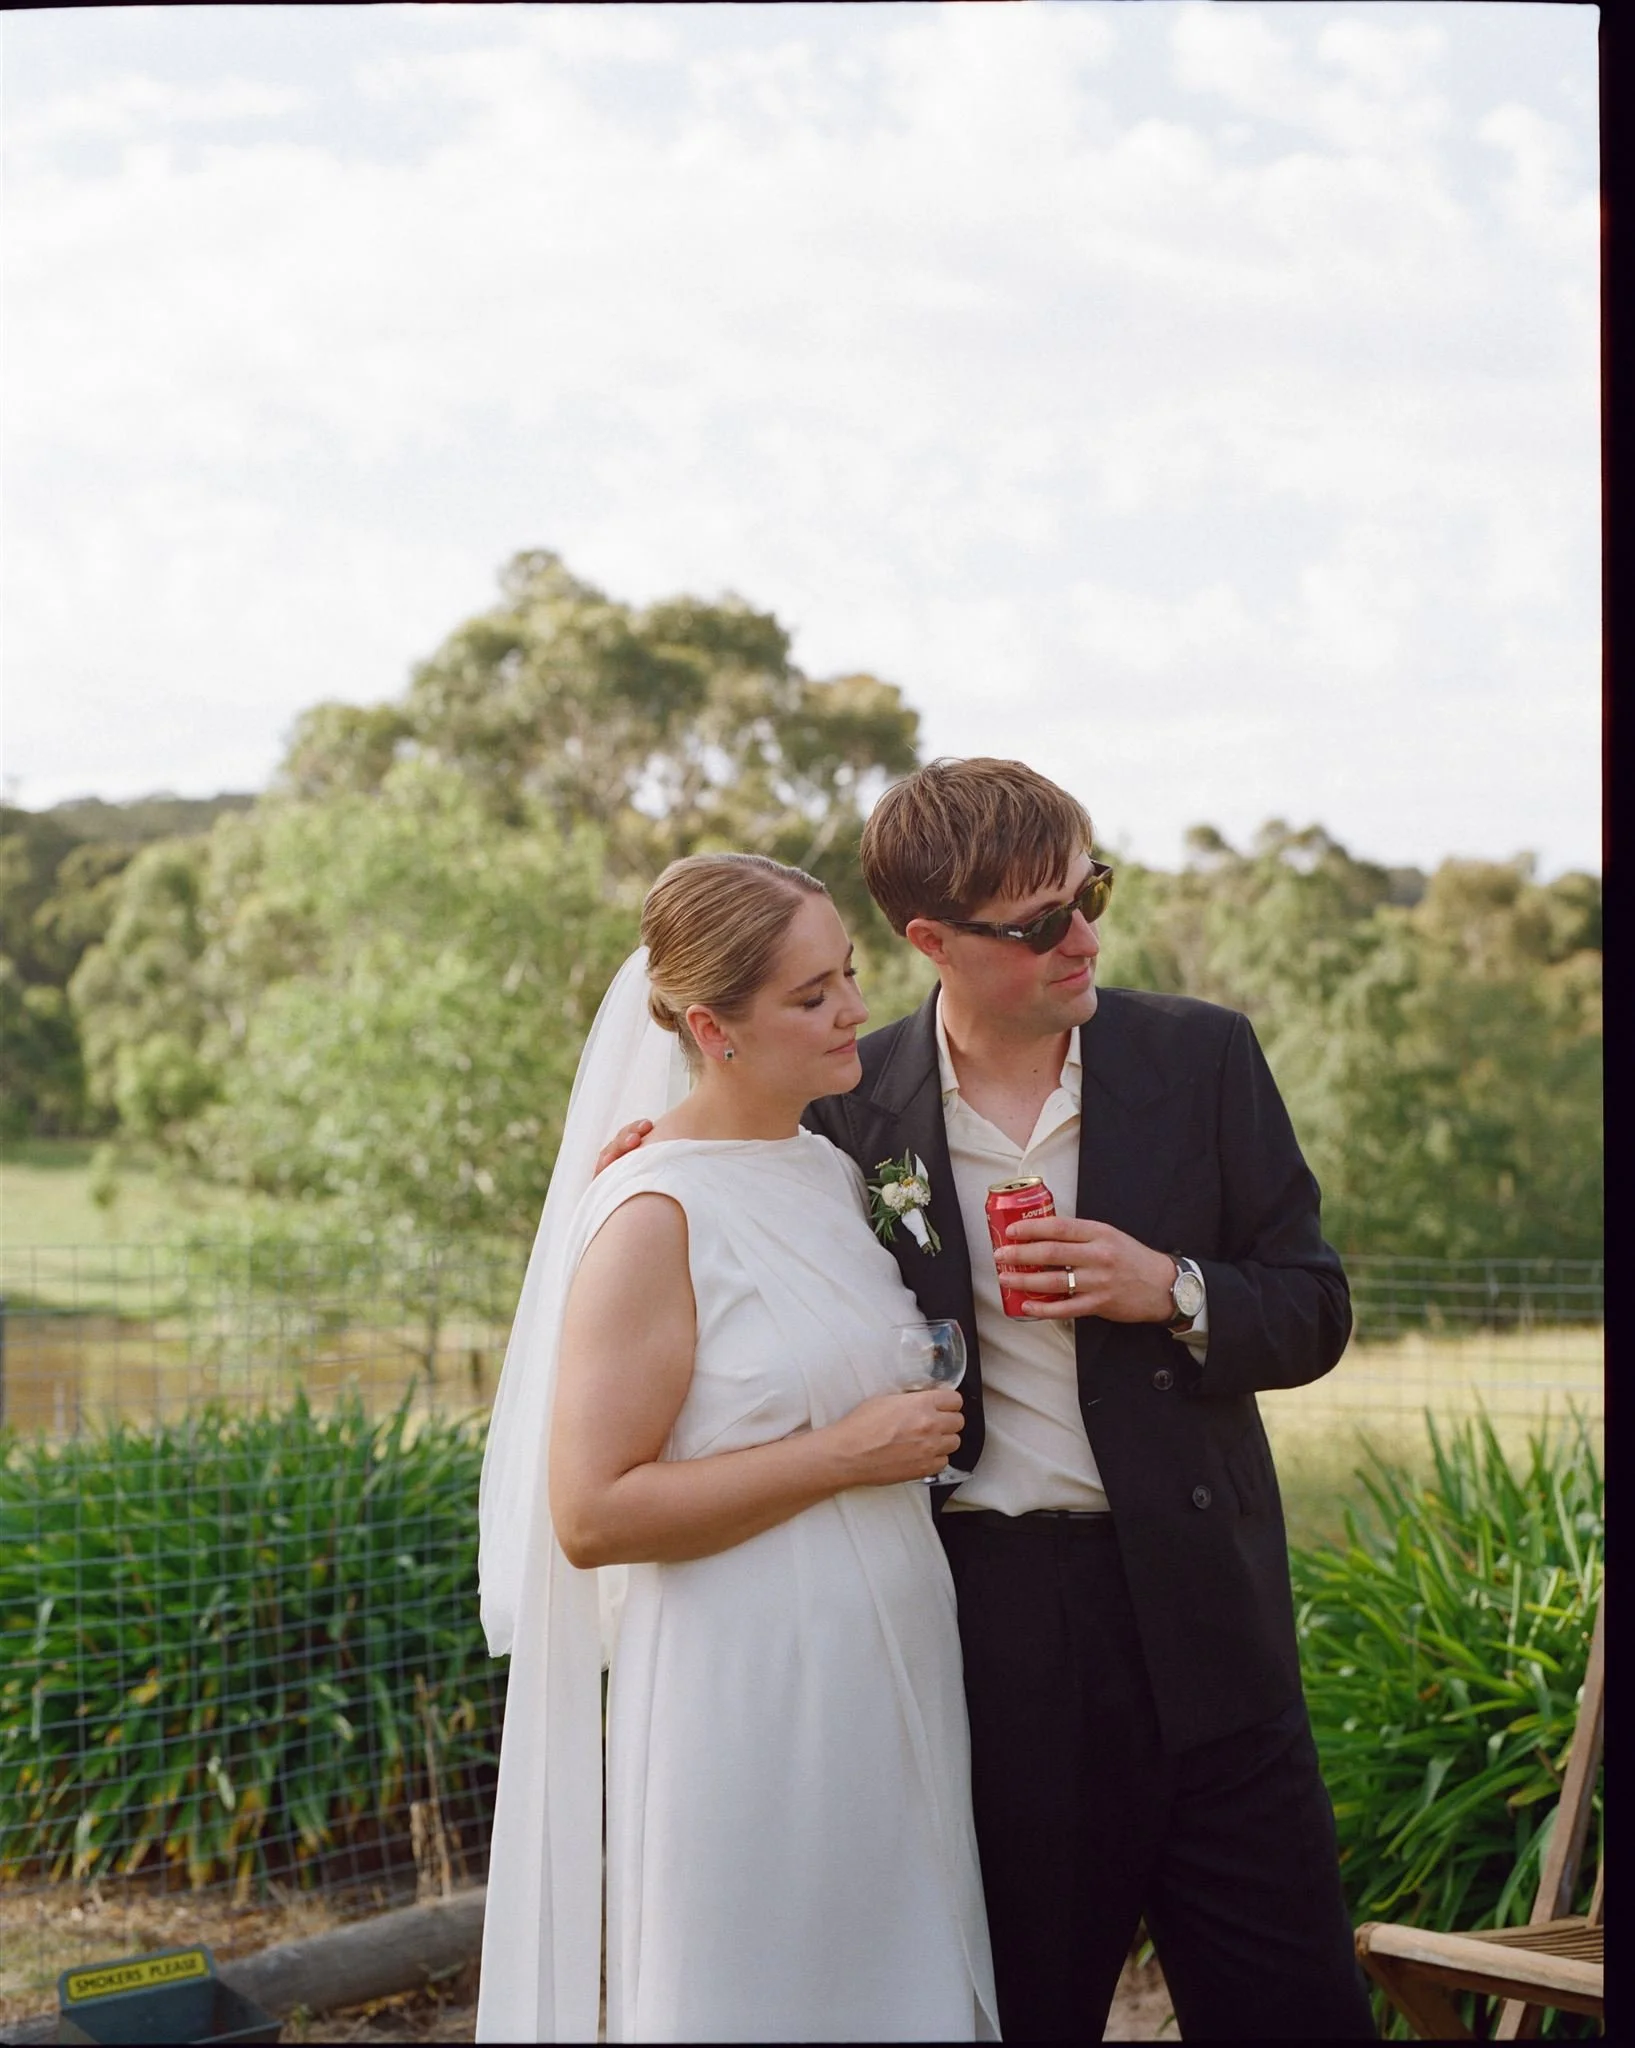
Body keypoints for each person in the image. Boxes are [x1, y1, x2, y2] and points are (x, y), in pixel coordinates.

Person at [605, 758, 1377, 2041]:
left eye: (1092, 895)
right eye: (1036, 924)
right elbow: (731, 1179)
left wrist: (1172, 1287)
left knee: (1296, 2011)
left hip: (1209, 1609)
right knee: (1024, 2008)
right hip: (994, 1625)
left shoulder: (1203, 1057)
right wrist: (664, 1155)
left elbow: (1316, 1305)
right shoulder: (849, 1106)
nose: (1081, 938)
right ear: (930, 941)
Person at [474, 852, 999, 2045]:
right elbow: (594, 1512)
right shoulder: (654, 1210)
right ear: (711, 1027)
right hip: (749, 1690)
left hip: (891, 1666)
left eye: (849, 976)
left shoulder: (824, 1170)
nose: (855, 1008)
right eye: (810, 997)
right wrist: (842, 1453)